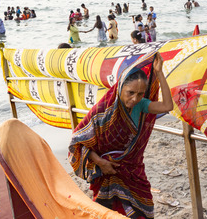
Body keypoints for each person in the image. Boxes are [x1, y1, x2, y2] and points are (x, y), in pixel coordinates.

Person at [69, 53, 173, 218]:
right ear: (120, 87)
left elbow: (167, 105)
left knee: (143, 209)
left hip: (133, 169)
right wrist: (101, 163)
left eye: (140, 94)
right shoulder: (102, 112)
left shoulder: (141, 105)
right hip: (106, 173)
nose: (134, 98)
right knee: (108, 212)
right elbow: (78, 142)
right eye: (130, 92)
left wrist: (159, 73)